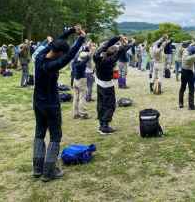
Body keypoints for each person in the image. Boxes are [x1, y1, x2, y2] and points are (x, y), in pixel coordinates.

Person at [32, 25, 86, 182]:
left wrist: (70, 31)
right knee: (55, 136)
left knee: (39, 132)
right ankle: (49, 171)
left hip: (38, 102)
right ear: (59, 53)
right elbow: (69, 56)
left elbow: (57, 42)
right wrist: (81, 38)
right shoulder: (51, 65)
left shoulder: (40, 56)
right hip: (51, 104)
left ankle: (37, 168)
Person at [93, 35, 130, 134]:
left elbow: (106, 45)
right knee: (110, 105)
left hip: (99, 83)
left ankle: (101, 123)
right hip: (107, 85)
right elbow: (121, 51)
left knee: (101, 103)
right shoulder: (110, 61)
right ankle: (105, 126)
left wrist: (118, 37)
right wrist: (125, 43)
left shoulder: (96, 57)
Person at [72, 51, 90, 119]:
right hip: (81, 80)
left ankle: (75, 113)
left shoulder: (74, 62)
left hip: (75, 80)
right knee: (82, 97)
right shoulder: (82, 64)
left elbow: (77, 56)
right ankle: (83, 113)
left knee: (76, 97)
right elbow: (88, 57)